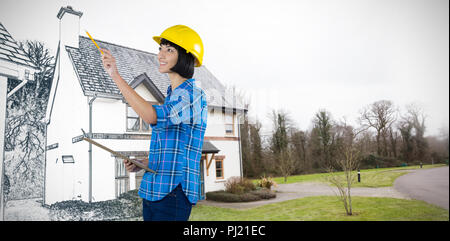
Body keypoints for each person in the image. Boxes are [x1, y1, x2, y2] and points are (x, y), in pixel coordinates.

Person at [101, 25, 207, 221]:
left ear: (187, 57)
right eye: (160, 48)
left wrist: (115, 75)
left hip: (173, 193)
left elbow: (152, 116)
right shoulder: (173, 96)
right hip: (153, 191)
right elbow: (173, 152)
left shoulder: (192, 95)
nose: (160, 55)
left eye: (169, 50)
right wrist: (144, 163)